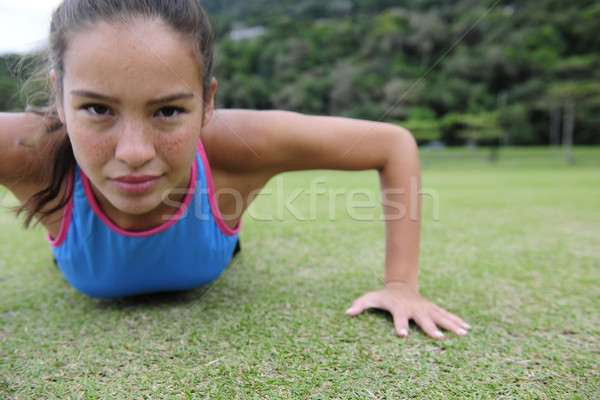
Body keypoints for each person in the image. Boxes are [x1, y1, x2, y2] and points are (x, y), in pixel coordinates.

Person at [0, 0, 470, 340]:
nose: (135, 152)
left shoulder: (238, 145)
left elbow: (393, 144)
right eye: (98, 108)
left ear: (207, 101)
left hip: (217, 237)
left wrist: (401, 285)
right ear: (59, 98)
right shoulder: (29, 150)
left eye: (168, 112)